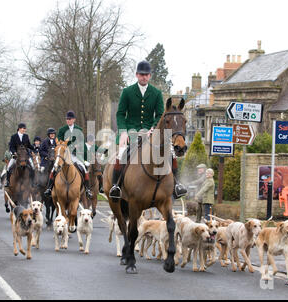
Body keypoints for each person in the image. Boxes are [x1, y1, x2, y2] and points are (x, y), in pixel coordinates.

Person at [109, 60, 187, 200]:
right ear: (136, 75)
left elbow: (160, 115)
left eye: (146, 75)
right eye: (141, 74)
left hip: (151, 131)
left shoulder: (156, 93)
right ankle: (116, 186)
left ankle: (177, 184)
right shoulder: (127, 92)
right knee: (121, 153)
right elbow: (120, 114)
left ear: (150, 76)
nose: (144, 77)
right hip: (130, 131)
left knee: (170, 153)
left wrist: (152, 128)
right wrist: (124, 131)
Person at [44, 111, 93, 199]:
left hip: (75, 155)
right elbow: (58, 141)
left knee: (84, 168)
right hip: (63, 154)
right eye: (67, 119)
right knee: (54, 168)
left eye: (69, 119)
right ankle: (49, 188)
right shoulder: (62, 130)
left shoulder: (79, 129)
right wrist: (62, 146)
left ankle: (87, 189)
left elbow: (81, 142)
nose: (68, 120)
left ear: (74, 120)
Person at [4, 123, 36, 188]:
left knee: (32, 167)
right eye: (23, 128)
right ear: (19, 129)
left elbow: (29, 145)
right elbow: (11, 147)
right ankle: (8, 182)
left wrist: (35, 148)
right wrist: (14, 152)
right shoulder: (13, 136)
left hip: (25, 155)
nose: (24, 130)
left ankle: (33, 182)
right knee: (9, 167)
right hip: (16, 155)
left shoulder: (26, 136)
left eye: (25, 128)